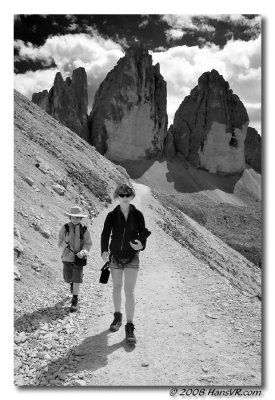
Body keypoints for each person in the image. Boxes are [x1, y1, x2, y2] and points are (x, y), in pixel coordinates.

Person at [101, 183, 149, 344]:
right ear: (117, 197)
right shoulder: (111, 216)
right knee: (116, 287)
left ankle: (129, 326)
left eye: (128, 195)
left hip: (132, 257)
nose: (125, 198)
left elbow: (143, 234)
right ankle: (117, 317)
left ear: (132, 196)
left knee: (129, 291)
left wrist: (141, 245)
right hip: (115, 257)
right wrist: (103, 251)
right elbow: (105, 234)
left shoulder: (138, 215)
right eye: (122, 195)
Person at [58, 206, 92, 312]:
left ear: (81, 218)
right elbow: (60, 244)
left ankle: (74, 300)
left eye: (78, 217)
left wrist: (83, 252)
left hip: (79, 258)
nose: (75, 219)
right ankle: (72, 283)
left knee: (77, 278)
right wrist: (66, 242)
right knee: (67, 278)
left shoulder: (84, 229)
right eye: (73, 217)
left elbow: (88, 244)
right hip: (67, 257)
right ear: (70, 217)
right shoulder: (65, 228)